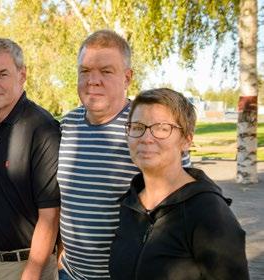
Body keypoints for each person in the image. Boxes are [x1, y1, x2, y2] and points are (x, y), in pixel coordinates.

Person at [57, 30, 191, 279]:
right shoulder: (67, 125)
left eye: (106, 71)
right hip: (71, 274)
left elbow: (183, 210)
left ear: (127, 77)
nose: (93, 80)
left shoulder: (150, 130)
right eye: (85, 71)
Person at [109, 88, 249, 279]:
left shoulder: (208, 212)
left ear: (186, 140)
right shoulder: (130, 204)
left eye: (162, 128)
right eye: (137, 127)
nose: (146, 138)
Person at [0, 38, 61, 280]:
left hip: (29, 265)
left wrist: (31, 273)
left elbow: (50, 214)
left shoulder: (42, 128)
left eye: (2, 74)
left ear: (22, 75)